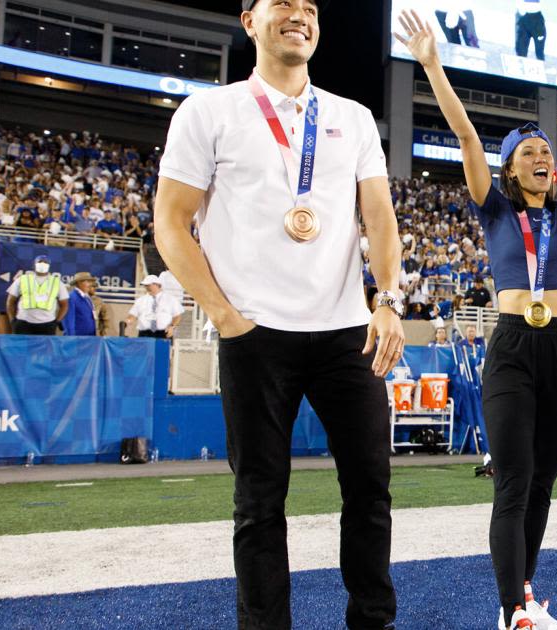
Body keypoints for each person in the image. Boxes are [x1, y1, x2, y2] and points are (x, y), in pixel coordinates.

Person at [397, 11, 557, 629]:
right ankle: (513, 609)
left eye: (547, 151)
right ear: (511, 169)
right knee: (513, 481)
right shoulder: (493, 208)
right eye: (529, 153)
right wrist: (433, 64)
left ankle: (522, 592)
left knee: (544, 480)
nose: (542, 156)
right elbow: (465, 139)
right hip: (513, 345)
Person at [154, 1, 407, 628]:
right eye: (283, 3)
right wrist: (224, 314)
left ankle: (372, 622)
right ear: (249, 20)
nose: (300, 14)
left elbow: (379, 218)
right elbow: (170, 222)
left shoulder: (350, 117)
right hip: (256, 333)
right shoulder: (209, 111)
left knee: (371, 493)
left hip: (347, 332)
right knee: (259, 503)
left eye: (312, 7)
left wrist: (389, 298)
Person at [6, 254, 69, 335]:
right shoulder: (22, 279)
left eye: (45, 262)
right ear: (34, 265)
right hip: (23, 323)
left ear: (49, 266)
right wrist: (12, 321)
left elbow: (65, 305)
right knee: (21, 347)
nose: (42, 264)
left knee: (44, 348)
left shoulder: (58, 283)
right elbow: (10, 302)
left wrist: (57, 322)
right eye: (40, 262)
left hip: (47, 324)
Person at [125, 275, 185, 339]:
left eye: (148, 285)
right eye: (145, 285)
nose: (146, 287)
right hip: (144, 334)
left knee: (161, 348)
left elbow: (177, 316)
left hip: (163, 333)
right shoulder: (141, 300)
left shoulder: (170, 299)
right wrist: (128, 321)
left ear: (157, 284)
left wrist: (172, 327)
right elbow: (132, 315)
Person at [61, 271, 99, 336]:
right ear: (79, 283)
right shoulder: (72, 297)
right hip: (78, 339)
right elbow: (68, 321)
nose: (90, 285)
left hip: (88, 338)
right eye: (87, 282)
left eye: (90, 282)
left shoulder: (87, 297)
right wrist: (70, 338)